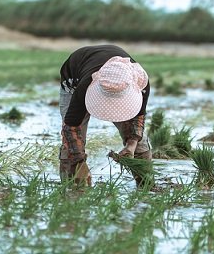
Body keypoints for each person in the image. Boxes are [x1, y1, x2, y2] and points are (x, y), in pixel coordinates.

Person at [58, 45, 152, 186]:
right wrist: (79, 162)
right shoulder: (84, 87)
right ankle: (73, 188)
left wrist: (131, 145)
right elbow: (71, 128)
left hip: (115, 77)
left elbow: (137, 120)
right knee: (71, 144)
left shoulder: (140, 82)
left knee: (139, 141)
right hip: (75, 80)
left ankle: (146, 185)